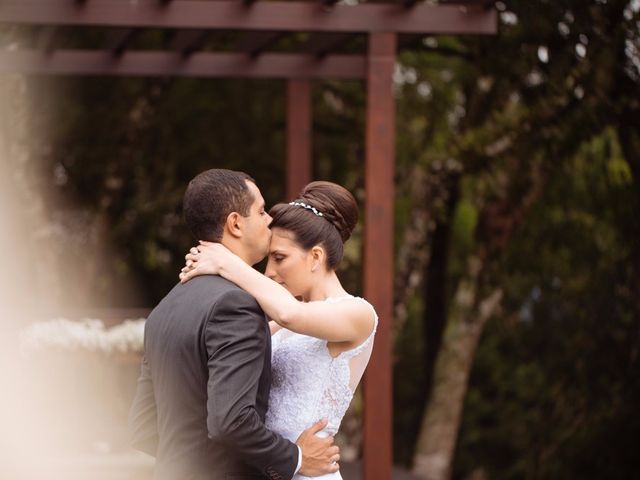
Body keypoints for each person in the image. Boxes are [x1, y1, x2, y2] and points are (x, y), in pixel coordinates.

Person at [129, 169, 340, 480]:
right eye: (261, 210)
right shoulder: (234, 305)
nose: (269, 220)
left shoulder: (165, 308)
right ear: (235, 224)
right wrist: (296, 458)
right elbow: (230, 421)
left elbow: (143, 424)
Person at [179, 180, 378, 480]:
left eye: (279, 258)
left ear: (315, 257)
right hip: (276, 468)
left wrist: (225, 262)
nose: (269, 271)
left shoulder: (358, 313)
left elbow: (290, 313)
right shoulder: (277, 325)